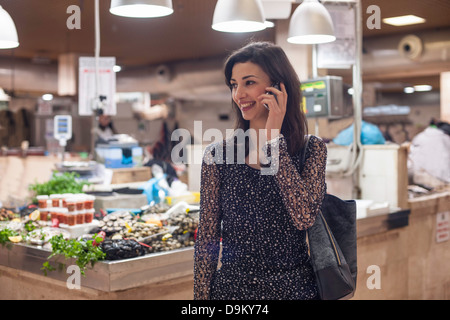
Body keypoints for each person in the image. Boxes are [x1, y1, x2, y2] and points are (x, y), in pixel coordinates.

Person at [193, 41, 328, 300]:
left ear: (278, 87)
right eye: (234, 85)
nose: (239, 94)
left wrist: (273, 140)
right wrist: (200, 300)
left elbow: (304, 217)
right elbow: (207, 237)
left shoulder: (311, 149)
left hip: (294, 290)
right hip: (232, 292)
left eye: (249, 83)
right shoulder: (217, 156)